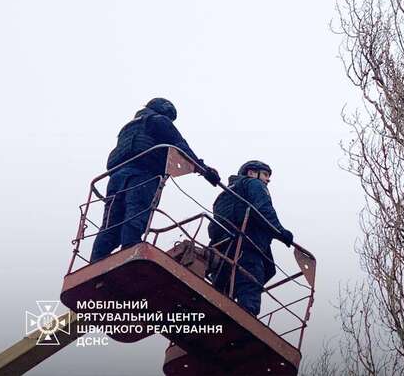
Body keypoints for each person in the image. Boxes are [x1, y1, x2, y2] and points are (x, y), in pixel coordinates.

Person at [90, 98, 221, 262]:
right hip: (142, 175)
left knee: (111, 222)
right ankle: (130, 255)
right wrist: (203, 169)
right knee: (135, 214)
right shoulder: (159, 121)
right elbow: (180, 145)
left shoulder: (129, 128)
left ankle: (96, 260)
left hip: (116, 178)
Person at [207, 160, 293, 315]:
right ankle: (244, 323)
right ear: (252, 172)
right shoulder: (254, 184)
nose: (268, 180)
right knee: (250, 286)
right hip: (248, 248)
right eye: (265, 174)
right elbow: (263, 209)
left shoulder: (224, 194)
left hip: (223, 249)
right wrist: (281, 232)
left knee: (220, 295)